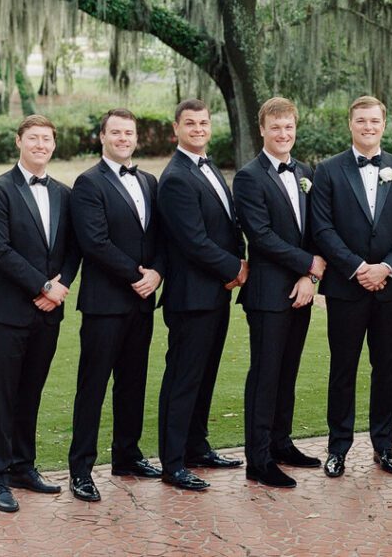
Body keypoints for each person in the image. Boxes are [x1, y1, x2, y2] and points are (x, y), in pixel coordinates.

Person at [0, 115, 80, 512]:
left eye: (47, 139)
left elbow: (74, 249)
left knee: (30, 393)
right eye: (33, 138)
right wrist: (43, 286)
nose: (40, 145)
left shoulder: (65, 194)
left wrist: (59, 287)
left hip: (47, 313)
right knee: (1, 396)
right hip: (3, 313)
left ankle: (23, 466)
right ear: (19, 141)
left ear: (54, 145)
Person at [311, 95, 392, 478]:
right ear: (350, 124)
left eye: (374, 121)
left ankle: (384, 445)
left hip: (390, 288)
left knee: (385, 367)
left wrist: (387, 267)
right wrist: (357, 267)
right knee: (343, 368)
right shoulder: (327, 171)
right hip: (346, 287)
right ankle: (338, 446)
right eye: (361, 121)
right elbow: (321, 228)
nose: (368, 127)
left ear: (384, 124)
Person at [66, 109, 165, 503]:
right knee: (92, 387)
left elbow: (162, 236)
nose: (123, 138)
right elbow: (94, 242)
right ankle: (81, 470)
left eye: (129, 132)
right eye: (116, 132)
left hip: (142, 303)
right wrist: (137, 275)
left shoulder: (149, 181)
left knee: (133, 383)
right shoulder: (88, 183)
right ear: (102, 137)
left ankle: (127, 455)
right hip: (105, 303)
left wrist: (157, 272)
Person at [233, 97, 327, 488]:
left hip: (301, 291)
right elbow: (262, 237)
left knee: (288, 371)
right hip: (269, 293)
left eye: (288, 127)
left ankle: (281, 442)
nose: (283, 134)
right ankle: (258, 459)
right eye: (276, 128)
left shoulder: (305, 171)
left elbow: (316, 229)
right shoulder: (249, 177)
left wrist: (310, 279)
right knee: (266, 374)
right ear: (262, 130)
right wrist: (306, 264)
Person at [157, 99, 247, 491]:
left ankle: (197, 446)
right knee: (183, 378)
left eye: (203, 122)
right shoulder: (176, 177)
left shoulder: (209, 167)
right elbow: (193, 241)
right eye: (190, 123)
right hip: (191, 296)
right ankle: (173, 462)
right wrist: (235, 268)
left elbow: (226, 227)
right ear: (175, 128)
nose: (198, 128)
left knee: (205, 374)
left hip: (215, 293)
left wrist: (237, 261)